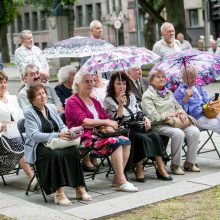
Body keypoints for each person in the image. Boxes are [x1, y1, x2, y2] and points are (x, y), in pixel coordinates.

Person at [65, 72, 138, 192]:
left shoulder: (94, 101)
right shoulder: (72, 101)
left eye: (91, 81)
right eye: (86, 81)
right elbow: (83, 121)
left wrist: (109, 124)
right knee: (116, 142)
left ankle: (117, 178)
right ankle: (121, 181)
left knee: (126, 141)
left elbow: (106, 118)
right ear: (77, 85)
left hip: (99, 134)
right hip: (83, 137)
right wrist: (106, 122)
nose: (90, 84)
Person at [24, 84, 91, 205]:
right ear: (32, 98)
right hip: (39, 146)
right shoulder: (29, 112)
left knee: (74, 151)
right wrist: (57, 135)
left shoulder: (51, 107)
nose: (42, 96)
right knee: (54, 155)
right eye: (38, 94)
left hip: (57, 142)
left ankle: (79, 188)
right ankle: (59, 193)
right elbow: (34, 135)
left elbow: (61, 125)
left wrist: (66, 132)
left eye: (43, 93)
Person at [103, 72, 172, 182]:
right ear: (113, 85)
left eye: (124, 83)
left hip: (137, 124)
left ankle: (160, 167)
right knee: (139, 137)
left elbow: (138, 111)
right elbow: (116, 121)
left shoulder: (131, 96)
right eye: (118, 84)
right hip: (123, 128)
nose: (122, 86)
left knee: (154, 134)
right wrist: (120, 104)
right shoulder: (108, 100)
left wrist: (145, 118)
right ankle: (138, 168)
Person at [142, 69, 201, 175]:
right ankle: (175, 165)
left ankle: (190, 163)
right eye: (158, 77)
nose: (161, 79)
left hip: (175, 122)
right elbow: (153, 118)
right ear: (151, 81)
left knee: (194, 131)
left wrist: (182, 112)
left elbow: (178, 106)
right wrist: (170, 115)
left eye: (163, 77)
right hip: (159, 125)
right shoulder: (147, 95)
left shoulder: (168, 92)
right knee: (178, 133)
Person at [0, 71, 36, 189]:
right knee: (18, 142)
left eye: (5, 82)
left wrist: (20, 123)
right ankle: (31, 177)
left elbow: (21, 116)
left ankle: (42, 174)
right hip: (2, 137)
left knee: (35, 139)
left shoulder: (12, 98)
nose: (3, 85)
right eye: (0, 82)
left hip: (17, 132)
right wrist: (3, 125)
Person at [174, 65, 220, 134]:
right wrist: (186, 98)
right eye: (191, 78)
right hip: (196, 118)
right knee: (217, 125)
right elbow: (180, 109)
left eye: (195, 77)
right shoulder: (179, 91)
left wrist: (213, 99)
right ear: (184, 78)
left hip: (208, 112)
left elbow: (206, 99)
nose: (194, 79)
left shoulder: (198, 88)